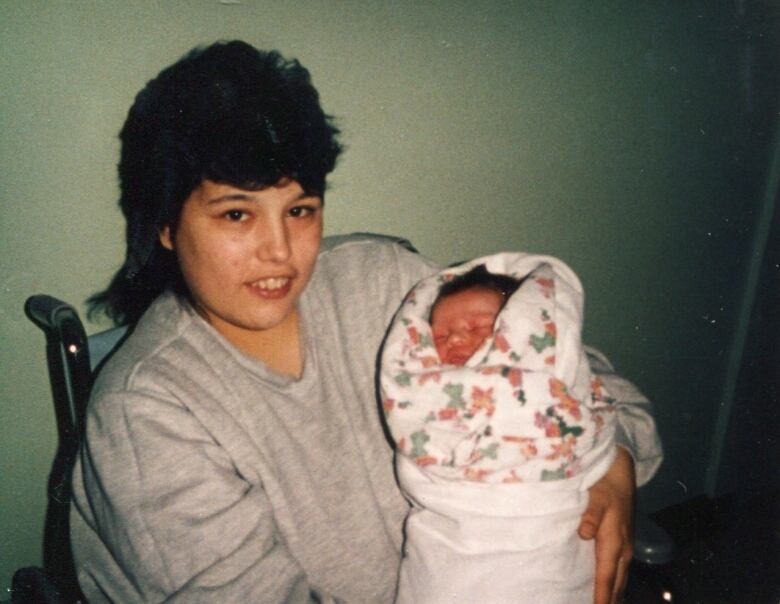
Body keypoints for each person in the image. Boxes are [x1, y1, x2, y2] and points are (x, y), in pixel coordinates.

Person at [70, 40, 662, 603]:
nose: (280, 251)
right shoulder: (146, 413)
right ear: (165, 226)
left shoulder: (384, 283)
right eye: (236, 215)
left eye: (299, 210)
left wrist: (613, 466)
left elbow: (597, 387)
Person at [381, 256, 617, 603]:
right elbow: (416, 458)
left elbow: (596, 425)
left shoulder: (551, 391)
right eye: (441, 334)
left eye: (479, 327)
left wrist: (614, 463)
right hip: (449, 555)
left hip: (542, 550)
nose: (457, 338)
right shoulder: (423, 402)